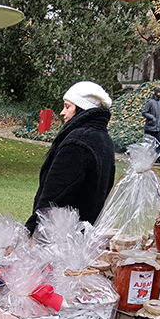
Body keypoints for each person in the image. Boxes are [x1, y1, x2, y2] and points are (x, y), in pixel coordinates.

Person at [26, 81, 115, 233]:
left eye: (67, 107)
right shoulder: (104, 139)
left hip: (61, 236)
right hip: (88, 232)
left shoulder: (78, 141)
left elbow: (55, 195)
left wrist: (35, 230)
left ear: (81, 109)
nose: (62, 112)